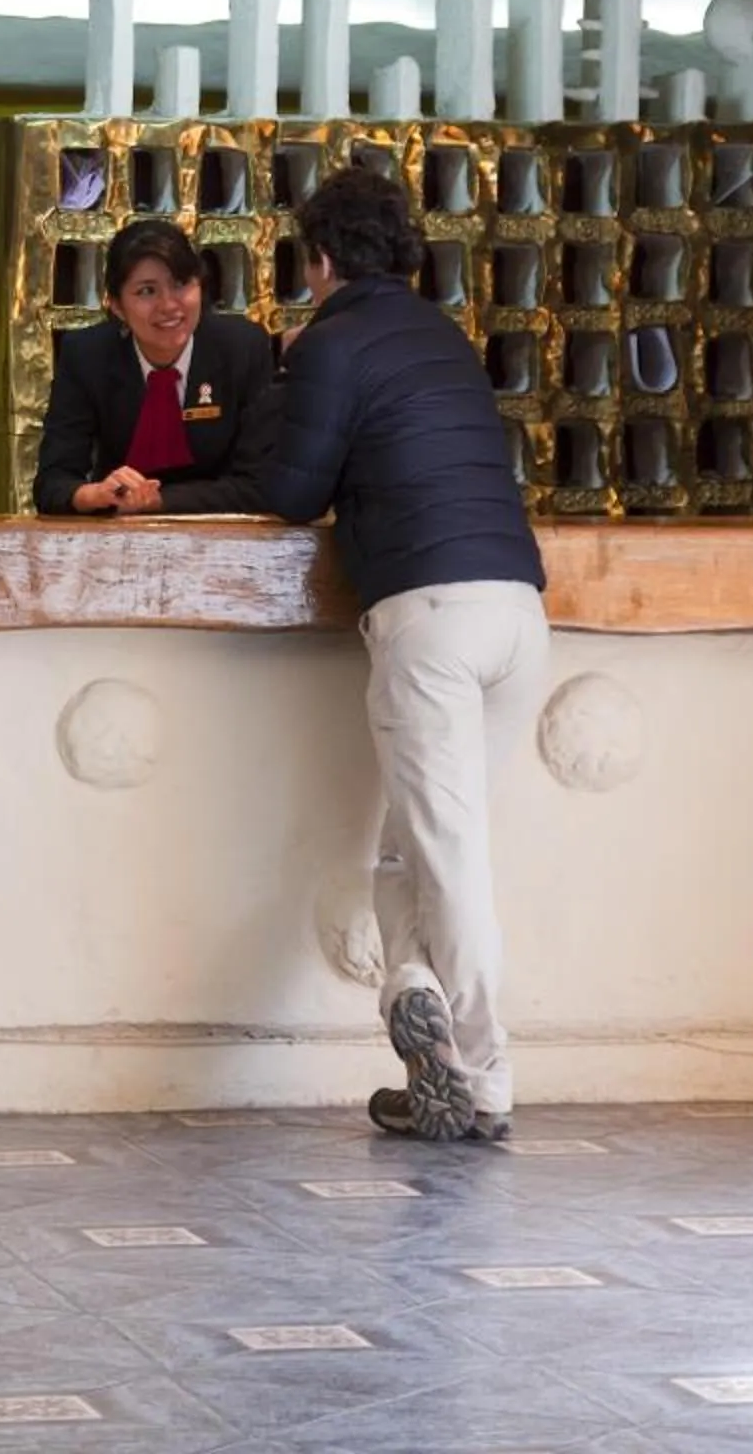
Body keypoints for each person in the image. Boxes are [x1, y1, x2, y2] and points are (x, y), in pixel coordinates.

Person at [254, 167, 547, 1143]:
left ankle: (488, 1074)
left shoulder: (332, 344)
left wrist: (291, 378)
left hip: (431, 618)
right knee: (410, 846)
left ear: (321, 257)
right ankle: (417, 1004)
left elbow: (294, 493)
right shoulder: (446, 338)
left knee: (447, 851)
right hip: (518, 611)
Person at [34, 220, 277, 516]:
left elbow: (260, 483)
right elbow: (52, 483)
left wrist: (157, 501)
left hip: (224, 538)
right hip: (118, 537)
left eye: (180, 283)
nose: (169, 305)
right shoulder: (87, 354)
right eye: (147, 291)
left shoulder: (243, 348)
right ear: (117, 306)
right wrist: (94, 494)